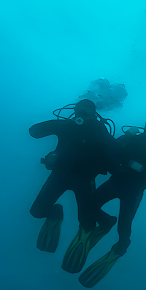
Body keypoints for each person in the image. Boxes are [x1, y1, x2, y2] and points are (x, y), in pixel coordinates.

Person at [79, 118, 146, 288]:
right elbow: (112, 148)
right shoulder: (133, 139)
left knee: (124, 224)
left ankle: (122, 245)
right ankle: (105, 222)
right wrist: (127, 135)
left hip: (134, 190)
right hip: (117, 181)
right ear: (144, 127)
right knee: (88, 203)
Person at [29, 100, 116, 266]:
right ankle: (55, 213)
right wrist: (55, 125)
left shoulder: (99, 130)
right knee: (36, 212)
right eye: (79, 110)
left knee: (86, 222)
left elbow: (114, 154)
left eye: (87, 111)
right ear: (74, 111)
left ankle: (106, 221)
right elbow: (34, 131)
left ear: (94, 114)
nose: (82, 114)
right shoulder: (66, 125)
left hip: (84, 179)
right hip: (60, 174)